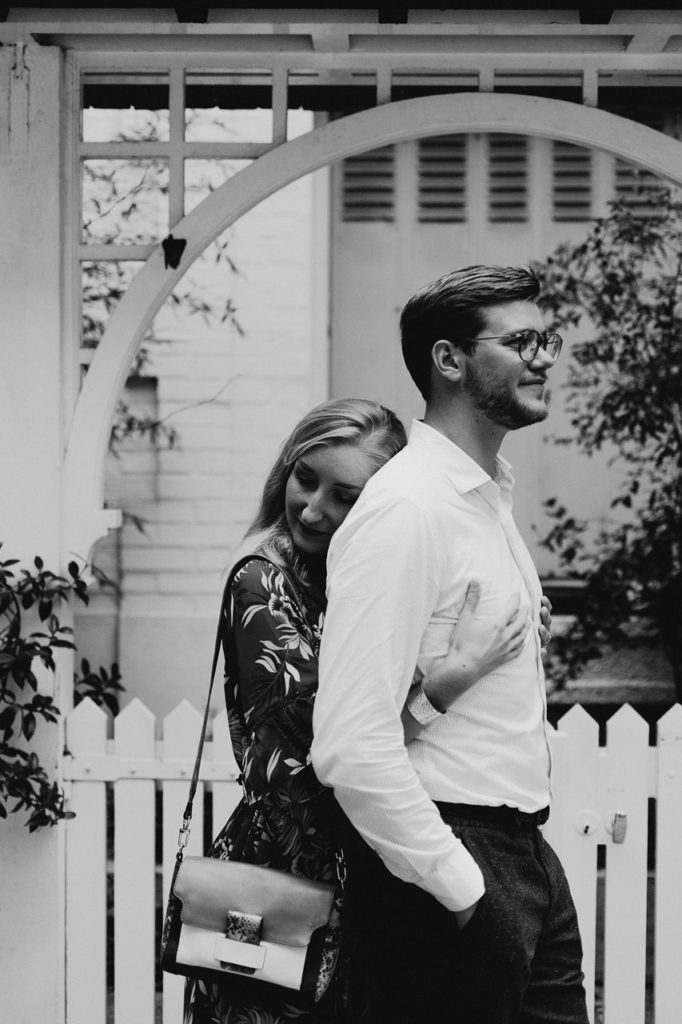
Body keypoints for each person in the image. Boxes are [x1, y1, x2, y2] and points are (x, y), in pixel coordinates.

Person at [184, 396, 542, 1024]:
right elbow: (319, 753)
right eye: (305, 478)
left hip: (373, 871)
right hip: (292, 879)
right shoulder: (262, 581)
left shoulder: (362, 574)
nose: (314, 509)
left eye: (346, 497)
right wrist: (447, 683)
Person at [311, 266, 589, 1024]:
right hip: (452, 863)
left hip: (522, 849)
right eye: (522, 341)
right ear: (449, 360)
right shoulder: (407, 509)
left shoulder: (485, 498)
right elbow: (349, 744)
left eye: (547, 339)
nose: (544, 358)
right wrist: (461, 886)